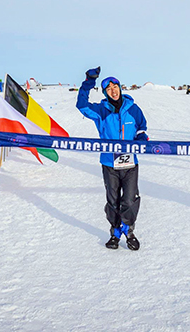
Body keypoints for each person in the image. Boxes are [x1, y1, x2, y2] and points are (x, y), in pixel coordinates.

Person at [76, 67, 148, 251]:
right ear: (105, 93)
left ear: (120, 88)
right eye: (108, 89)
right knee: (113, 201)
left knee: (130, 200)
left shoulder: (133, 109)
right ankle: (115, 233)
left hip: (130, 163)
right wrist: (88, 82)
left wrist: (141, 138)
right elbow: (82, 106)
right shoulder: (101, 110)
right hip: (109, 163)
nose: (113, 91)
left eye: (115, 87)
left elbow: (141, 127)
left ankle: (128, 231)